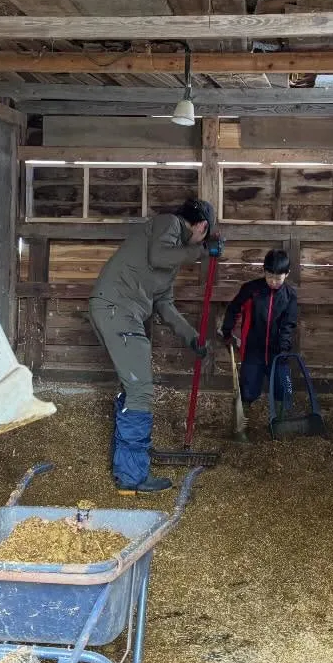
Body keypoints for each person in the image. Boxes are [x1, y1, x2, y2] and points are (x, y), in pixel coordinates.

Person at [90, 198, 222, 495]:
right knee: (140, 391)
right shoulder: (168, 223)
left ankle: (124, 466)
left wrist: (192, 337)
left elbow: (166, 305)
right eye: (205, 233)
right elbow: (160, 254)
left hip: (116, 310)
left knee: (131, 387)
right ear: (201, 226)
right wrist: (200, 251)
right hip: (118, 309)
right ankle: (132, 477)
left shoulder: (169, 262)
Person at [221, 249, 299, 412]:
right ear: (264, 271)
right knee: (248, 389)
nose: (273, 282)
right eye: (269, 276)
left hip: (278, 352)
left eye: (278, 278)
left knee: (282, 389)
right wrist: (227, 332)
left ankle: (280, 424)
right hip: (252, 351)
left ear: (287, 274)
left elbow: (288, 324)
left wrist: (284, 348)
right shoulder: (251, 290)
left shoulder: (290, 295)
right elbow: (233, 309)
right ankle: (242, 423)